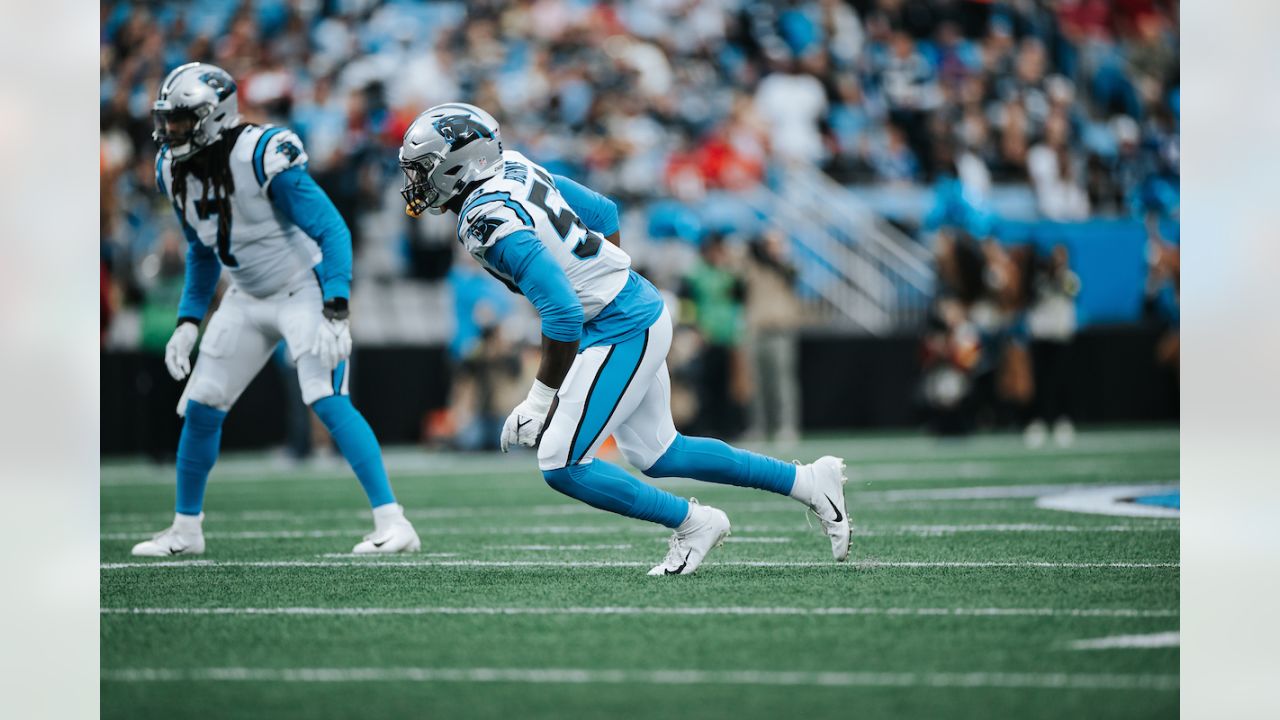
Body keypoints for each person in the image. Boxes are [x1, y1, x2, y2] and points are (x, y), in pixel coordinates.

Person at [398, 103, 850, 575]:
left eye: (424, 169)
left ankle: (694, 522)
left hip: (621, 323)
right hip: (628, 309)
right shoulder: (514, 166)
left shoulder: (484, 219)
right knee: (658, 453)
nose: (417, 181)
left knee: (561, 463)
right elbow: (604, 212)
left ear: (459, 162)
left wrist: (537, 401)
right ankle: (806, 481)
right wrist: (605, 277)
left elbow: (563, 312)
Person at [132, 63, 420, 557]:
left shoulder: (261, 153)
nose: (170, 130)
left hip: (300, 289)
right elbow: (203, 250)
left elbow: (332, 230)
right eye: (168, 119)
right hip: (244, 295)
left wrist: (335, 305)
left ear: (213, 116)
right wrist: (187, 320)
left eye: (181, 119)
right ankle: (185, 529)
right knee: (202, 404)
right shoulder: (170, 168)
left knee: (325, 397)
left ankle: (394, 522)